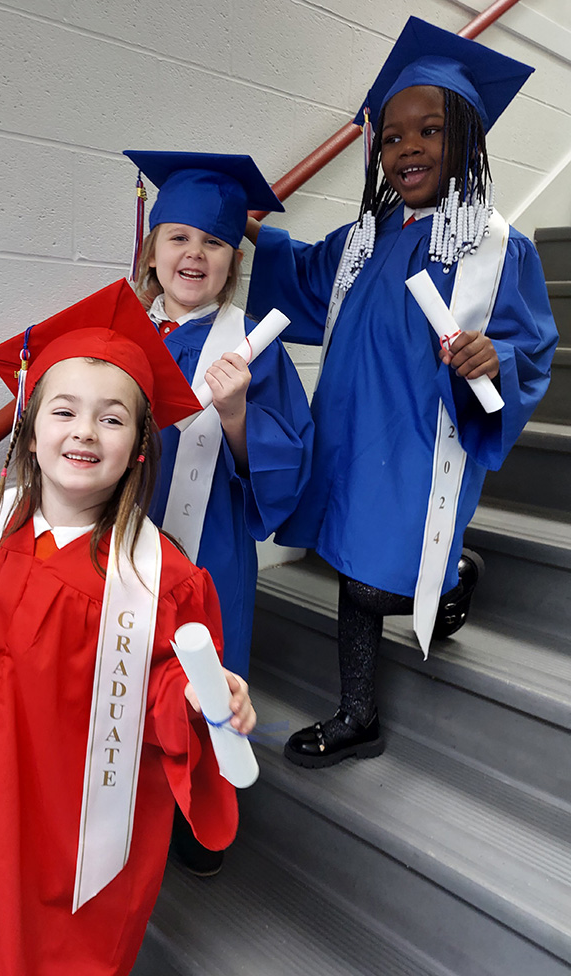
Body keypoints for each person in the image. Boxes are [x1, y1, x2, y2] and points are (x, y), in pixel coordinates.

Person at [0, 278, 256, 976]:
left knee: (60, 947)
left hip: (73, 819)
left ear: (140, 447)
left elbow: (164, 684)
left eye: (113, 418)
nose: (86, 431)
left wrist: (196, 699)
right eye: (64, 411)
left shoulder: (163, 579)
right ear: (30, 432)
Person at [245, 17, 558, 769]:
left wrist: (494, 358)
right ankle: (359, 714)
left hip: (423, 437)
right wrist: (246, 231)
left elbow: (530, 344)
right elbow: (305, 282)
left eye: (429, 130)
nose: (406, 148)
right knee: (353, 573)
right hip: (355, 429)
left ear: (468, 142)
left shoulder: (494, 244)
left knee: (379, 579)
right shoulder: (365, 237)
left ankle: (453, 577)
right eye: (391, 137)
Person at [123, 150, 314, 681]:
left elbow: (287, 465)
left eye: (214, 242)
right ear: (153, 247)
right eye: (179, 237)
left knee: (201, 688)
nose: (195, 253)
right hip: (117, 537)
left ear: (233, 260)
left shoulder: (254, 347)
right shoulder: (119, 331)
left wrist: (235, 415)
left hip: (211, 546)